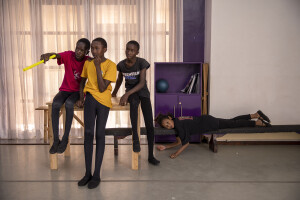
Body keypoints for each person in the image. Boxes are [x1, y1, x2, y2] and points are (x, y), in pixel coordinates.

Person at [77, 37, 117, 189]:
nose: (94, 51)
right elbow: (82, 81)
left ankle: (97, 174)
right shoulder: (87, 63)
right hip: (90, 99)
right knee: (88, 133)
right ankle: (87, 173)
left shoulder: (111, 66)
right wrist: (81, 97)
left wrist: (98, 66)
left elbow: (101, 88)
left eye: (97, 48)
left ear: (105, 49)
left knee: (99, 134)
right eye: (92, 48)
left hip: (103, 101)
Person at [111, 40, 160, 166]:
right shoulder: (121, 65)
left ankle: (150, 155)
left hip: (142, 92)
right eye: (127, 49)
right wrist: (114, 93)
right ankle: (135, 140)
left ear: (137, 52)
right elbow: (119, 80)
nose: (129, 52)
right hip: (132, 94)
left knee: (149, 123)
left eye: (132, 50)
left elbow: (142, 83)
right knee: (133, 109)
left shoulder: (142, 63)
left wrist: (126, 94)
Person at [40, 38, 90, 154]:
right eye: (77, 48)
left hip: (78, 91)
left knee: (68, 104)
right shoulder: (69, 55)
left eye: (82, 50)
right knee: (55, 104)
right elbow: (56, 55)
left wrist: (82, 97)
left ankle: (65, 137)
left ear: (87, 52)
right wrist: (49, 55)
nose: (78, 52)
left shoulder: (88, 61)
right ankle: (56, 140)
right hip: (65, 90)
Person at [155, 110, 271, 159]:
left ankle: (258, 123)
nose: (168, 126)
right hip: (206, 119)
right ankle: (255, 115)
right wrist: (165, 147)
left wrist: (176, 154)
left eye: (167, 123)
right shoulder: (177, 120)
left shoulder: (179, 127)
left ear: (170, 118)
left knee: (232, 124)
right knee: (231, 122)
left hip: (208, 123)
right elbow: (179, 141)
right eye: (166, 126)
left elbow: (185, 143)